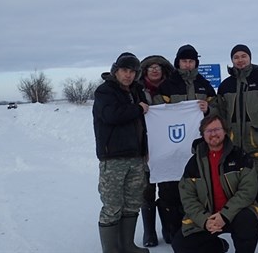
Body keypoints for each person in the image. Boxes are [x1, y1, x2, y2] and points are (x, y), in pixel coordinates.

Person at [217, 44, 258, 243]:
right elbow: (218, 113)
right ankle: (243, 224)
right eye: (236, 57)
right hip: (234, 146)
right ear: (232, 60)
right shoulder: (226, 85)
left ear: (250, 58)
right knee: (238, 188)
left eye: (243, 56)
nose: (240, 60)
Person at [153, 44, 218, 243]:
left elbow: (217, 112)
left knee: (195, 188)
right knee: (169, 190)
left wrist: (208, 109)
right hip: (172, 147)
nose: (188, 65)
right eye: (184, 61)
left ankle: (194, 227)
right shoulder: (167, 85)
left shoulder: (204, 85)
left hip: (198, 147)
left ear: (196, 63)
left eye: (191, 61)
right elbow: (157, 113)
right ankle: (170, 228)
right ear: (178, 62)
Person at [172, 114, 258, 253]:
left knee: (247, 221)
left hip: (235, 214)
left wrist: (224, 215)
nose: (213, 134)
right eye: (209, 131)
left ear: (225, 131)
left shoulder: (240, 156)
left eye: (217, 129)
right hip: (208, 217)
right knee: (181, 244)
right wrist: (205, 220)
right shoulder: (194, 163)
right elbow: (188, 198)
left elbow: (248, 191)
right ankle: (218, 247)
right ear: (203, 134)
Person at [93, 52, 150, 253]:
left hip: (136, 158)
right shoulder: (105, 92)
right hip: (113, 158)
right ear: (116, 71)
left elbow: (145, 123)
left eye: (133, 72)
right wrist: (137, 108)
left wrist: (145, 150)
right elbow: (111, 115)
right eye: (125, 70)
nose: (128, 75)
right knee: (112, 206)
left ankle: (127, 245)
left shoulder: (137, 91)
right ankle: (112, 250)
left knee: (132, 202)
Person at [138, 55, 175, 247]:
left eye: (158, 67)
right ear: (144, 71)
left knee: (168, 188)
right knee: (147, 189)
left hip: (167, 145)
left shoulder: (172, 87)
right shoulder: (136, 91)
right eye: (150, 67)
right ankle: (149, 232)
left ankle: (168, 228)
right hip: (144, 145)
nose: (154, 70)